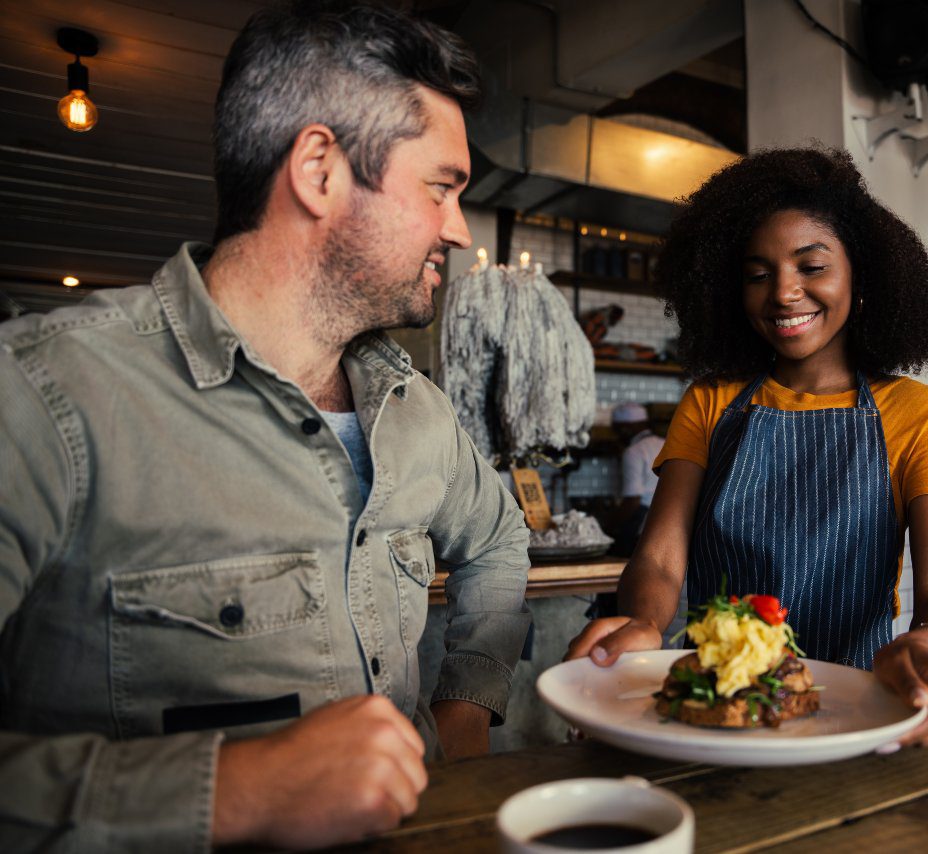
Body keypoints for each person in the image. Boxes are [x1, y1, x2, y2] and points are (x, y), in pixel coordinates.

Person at [0, 2, 530, 849]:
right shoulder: (44, 393)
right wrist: (233, 788)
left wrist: (464, 711)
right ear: (319, 169)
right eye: (441, 187)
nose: (458, 230)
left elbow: (501, 540)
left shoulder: (416, 411)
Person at [567, 147, 928, 747]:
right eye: (758, 274)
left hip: (853, 712)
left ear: (860, 274)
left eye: (811, 267)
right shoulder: (710, 403)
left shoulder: (918, 413)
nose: (783, 293)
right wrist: (645, 623)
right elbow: (659, 560)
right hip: (711, 710)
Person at [608, 402, 665, 555]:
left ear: (626, 428)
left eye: (617, 430)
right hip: (667, 518)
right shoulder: (666, 444)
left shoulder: (633, 452)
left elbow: (633, 501)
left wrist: (608, 527)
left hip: (642, 523)